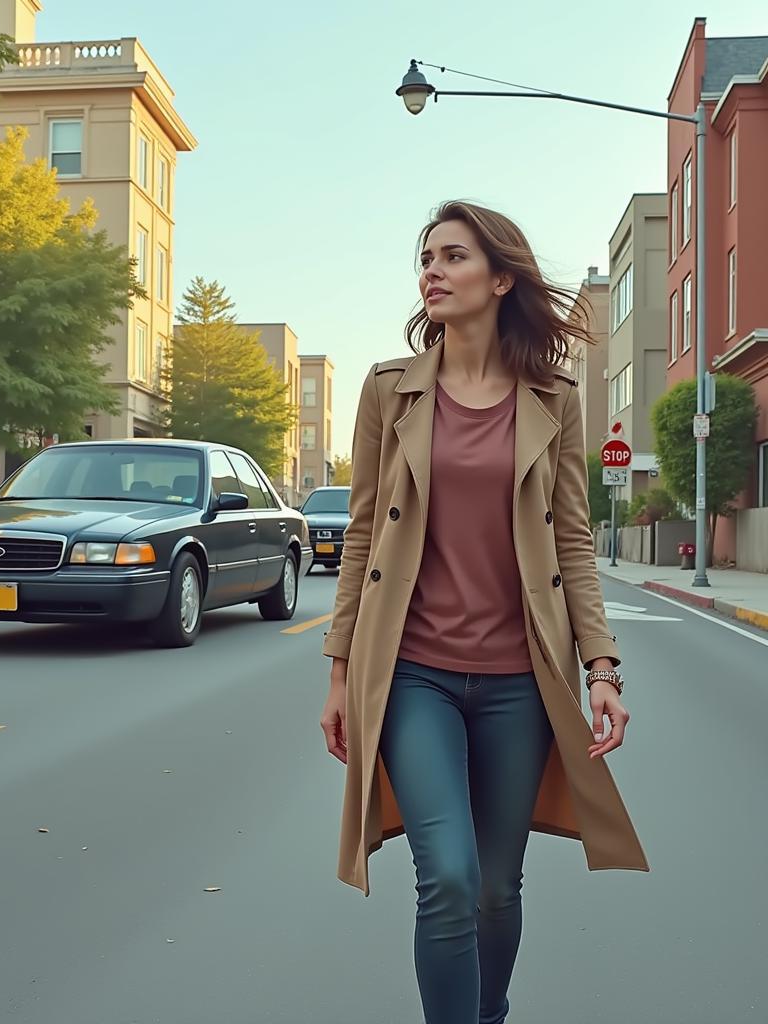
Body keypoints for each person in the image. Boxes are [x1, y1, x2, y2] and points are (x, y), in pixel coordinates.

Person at [319, 200, 648, 1024]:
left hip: (520, 680)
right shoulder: (389, 392)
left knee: (499, 888)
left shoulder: (554, 398)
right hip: (413, 674)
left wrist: (601, 666)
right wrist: (338, 672)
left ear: (501, 278)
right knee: (451, 878)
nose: (432, 269)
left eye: (453, 256)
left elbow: (573, 544)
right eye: (426, 256)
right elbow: (362, 536)